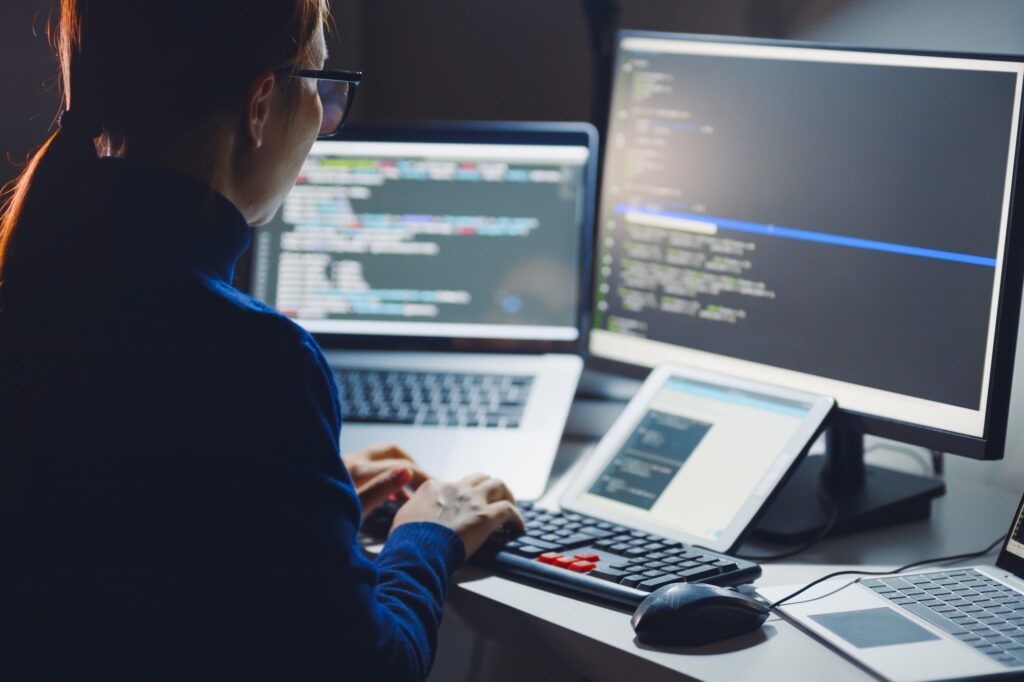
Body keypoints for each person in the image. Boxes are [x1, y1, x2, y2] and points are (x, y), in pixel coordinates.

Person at [0, 1, 524, 679]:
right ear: (259, 104)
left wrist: (302, 501)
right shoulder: (255, 360)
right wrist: (429, 533)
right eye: (319, 87)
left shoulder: (38, 293)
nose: (322, 118)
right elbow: (372, 669)